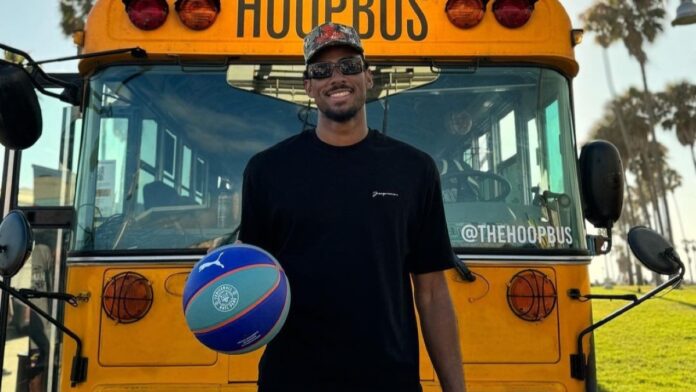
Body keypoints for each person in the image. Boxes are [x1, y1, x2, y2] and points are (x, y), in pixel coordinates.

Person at [238, 22, 466, 392]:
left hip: (389, 380)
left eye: (348, 65)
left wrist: (455, 389)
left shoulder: (414, 170)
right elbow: (254, 281)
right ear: (308, 86)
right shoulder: (266, 172)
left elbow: (432, 292)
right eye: (322, 70)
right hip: (291, 380)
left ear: (368, 77)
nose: (336, 77)